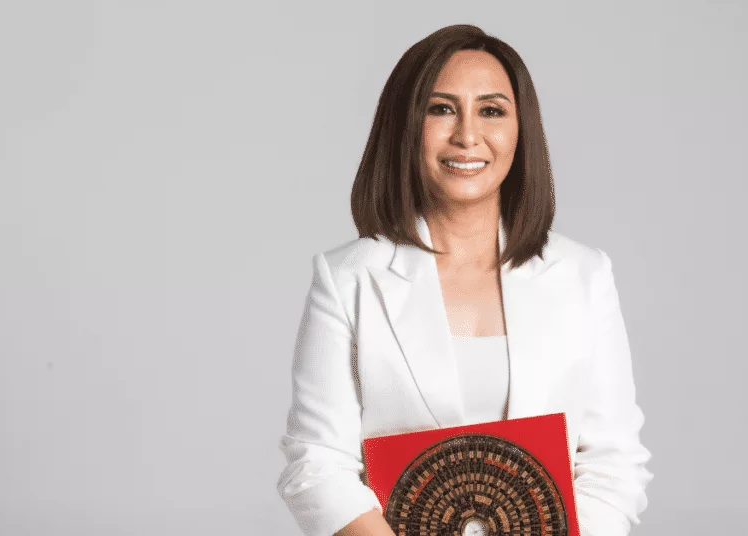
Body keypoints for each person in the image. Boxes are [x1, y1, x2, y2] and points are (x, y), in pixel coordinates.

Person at [275, 24, 653, 536]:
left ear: (522, 130)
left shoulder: (584, 275)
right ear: (406, 127)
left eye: (492, 110)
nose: (467, 135)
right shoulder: (348, 280)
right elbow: (316, 465)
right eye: (441, 109)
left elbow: (615, 464)